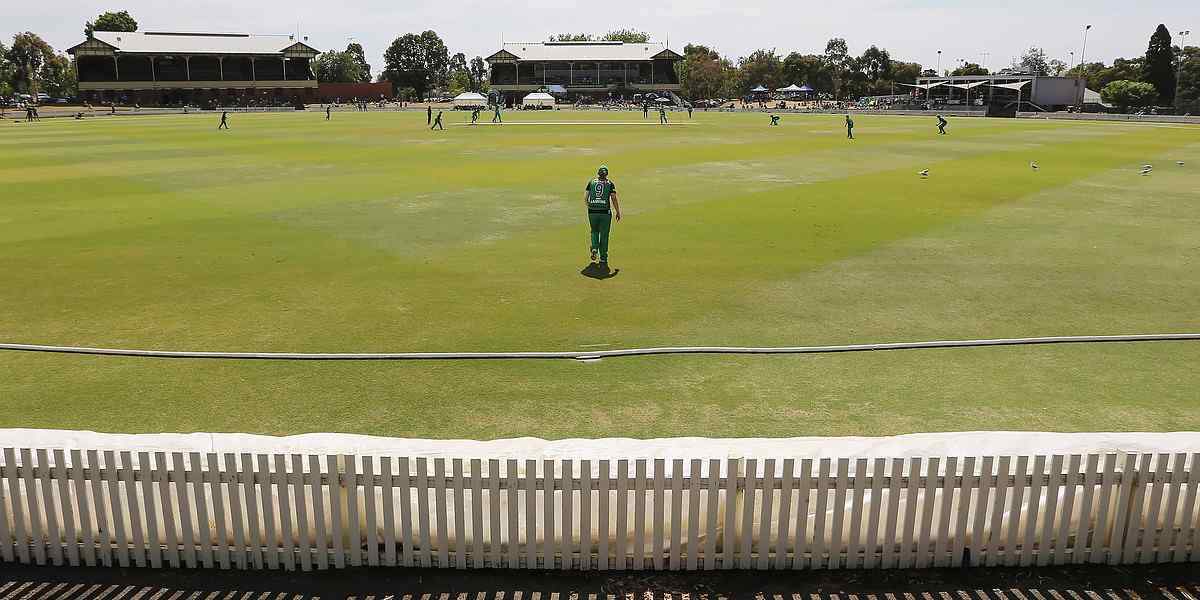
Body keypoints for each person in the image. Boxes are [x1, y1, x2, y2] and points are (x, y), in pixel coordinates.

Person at [584, 165, 621, 265]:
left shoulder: (591, 183)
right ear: (606, 174)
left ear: (598, 173)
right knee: (604, 235)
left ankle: (595, 248)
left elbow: (586, 197)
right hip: (605, 212)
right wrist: (617, 211)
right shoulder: (610, 184)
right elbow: (613, 198)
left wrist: (590, 207)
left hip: (592, 211)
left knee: (594, 231)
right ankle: (603, 258)